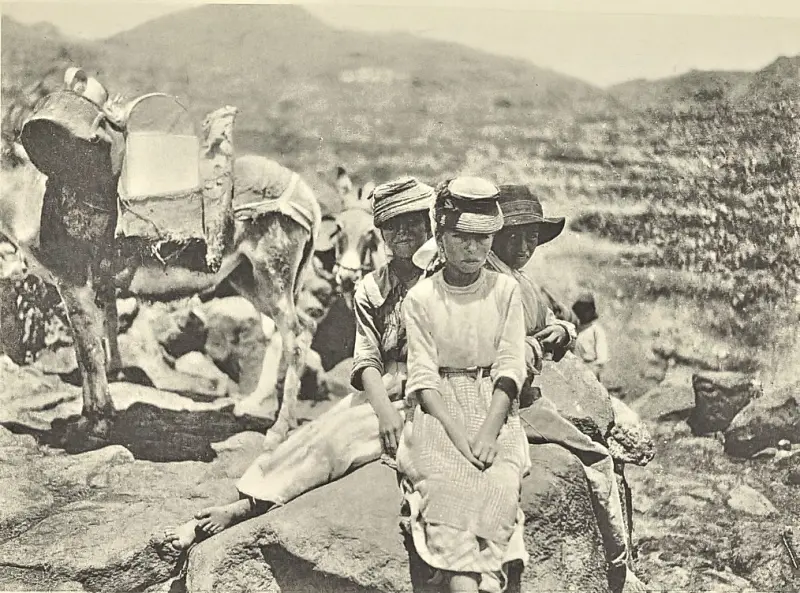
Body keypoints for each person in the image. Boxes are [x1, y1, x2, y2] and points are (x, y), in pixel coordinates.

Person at [160, 176, 434, 552]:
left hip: (435, 390)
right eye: (393, 225)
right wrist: (385, 412)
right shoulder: (372, 289)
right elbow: (368, 358)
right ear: (381, 233)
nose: (404, 233)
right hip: (385, 391)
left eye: (414, 223)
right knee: (319, 436)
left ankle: (249, 507)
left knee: (353, 445)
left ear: (429, 227)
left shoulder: (443, 280)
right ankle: (247, 504)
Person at [413, 183, 633, 592]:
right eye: (515, 237)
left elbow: (552, 320)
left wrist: (561, 331)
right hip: (501, 399)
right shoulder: (485, 279)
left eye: (532, 238)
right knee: (596, 458)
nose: (525, 246)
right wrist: (531, 346)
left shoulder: (520, 281)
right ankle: (620, 566)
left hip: (508, 394)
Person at [396, 177, 530, 593]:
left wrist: (488, 431)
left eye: (483, 238)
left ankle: (485, 580)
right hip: (439, 410)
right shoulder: (421, 298)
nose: (473, 249)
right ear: (440, 238)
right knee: (447, 489)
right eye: (461, 238)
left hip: (493, 403)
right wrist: (458, 436)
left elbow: (511, 363)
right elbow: (423, 376)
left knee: (499, 484)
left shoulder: (505, 290)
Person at [572, 292, 610, 382]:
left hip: (589, 374)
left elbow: (602, 359)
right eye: (580, 309)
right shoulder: (573, 329)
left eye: (586, 310)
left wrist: (589, 371)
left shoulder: (596, 330)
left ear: (591, 311)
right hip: (573, 372)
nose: (583, 313)